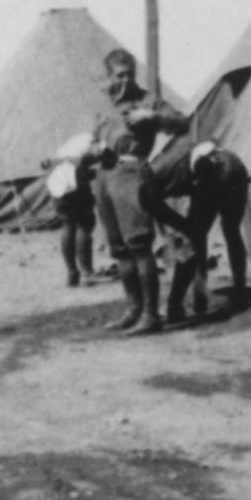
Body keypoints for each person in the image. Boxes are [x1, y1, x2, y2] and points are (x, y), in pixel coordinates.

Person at [88, 48, 190, 335]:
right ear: (109, 77)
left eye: (130, 74)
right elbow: (95, 138)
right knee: (119, 248)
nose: (126, 81)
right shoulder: (105, 107)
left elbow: (183, 123)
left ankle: (150, 314)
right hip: (105, 176)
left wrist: (153, 117)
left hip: (132, 174)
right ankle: (133, 309)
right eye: (119, 76)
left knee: (139, 245)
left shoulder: (148, 101)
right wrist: (96, 147)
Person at [155, 140, 250, 322]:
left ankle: (191, 300)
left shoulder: (159, 172)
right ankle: (239, 291)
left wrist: (183, 226)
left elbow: (162, 203)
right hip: (234, 164)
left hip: (214, 169)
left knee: (196, 238)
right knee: (231, 230)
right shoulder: (171, 161)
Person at [42, 132, 99, 287]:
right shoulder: (93, 140)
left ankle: (72, 273)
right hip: (75, 180)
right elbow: (92, 160)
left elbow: (47, 164)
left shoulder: (71, 142)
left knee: (68, 224)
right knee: (85, 224)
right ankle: (87, 273)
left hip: (58, 183)